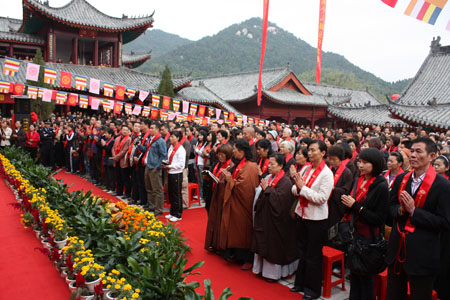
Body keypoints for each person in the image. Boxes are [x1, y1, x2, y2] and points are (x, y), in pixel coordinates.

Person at [386, 137, 450, 300]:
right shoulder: (402, 179)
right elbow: (390, 207)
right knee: (394, 294)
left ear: (432, 156)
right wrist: (400, 210)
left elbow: (444, 222)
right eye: (412, 151)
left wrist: (415, 211)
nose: (413, 155)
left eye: (418, 151)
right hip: (397, 248)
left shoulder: (443, 186)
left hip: (422, 255)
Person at [341, 148, 389, 300]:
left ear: (375, 164)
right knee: (355, 274)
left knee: (366, 277)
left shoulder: (381, 186)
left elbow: (379, 218)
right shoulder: (359, 179)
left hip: (369, 238)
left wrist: (357, 207)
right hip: (355, 233)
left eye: (365, 162)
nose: (361, 165)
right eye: (360, 161)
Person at [290, 140, 333, 300]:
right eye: (309, 150)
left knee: (313, 255)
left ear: (323, 153)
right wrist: (299, 188)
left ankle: (312, 290)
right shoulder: (307, 168)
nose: (310, 153)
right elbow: (295, 188)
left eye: (313, 150)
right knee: (301, 252)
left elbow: (322, 198)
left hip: (316, 219)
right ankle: (300, 283)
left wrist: (303, 189)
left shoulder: (327, 173)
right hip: (302, 215)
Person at [252, 153, 299, 282]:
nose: (269, 166)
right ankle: (261, 270)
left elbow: (281, 202)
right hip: (266, 218)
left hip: (277, 221)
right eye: (269, 163)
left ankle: (273, 275)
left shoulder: (285, 182)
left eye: (272, 164)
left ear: (281, 166)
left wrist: (267, 190)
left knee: (273, 247)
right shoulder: (270, 177)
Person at [220, 139, 260, 270]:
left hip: (243, 205)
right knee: (235, 230)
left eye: (235, 149)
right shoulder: (240, 164)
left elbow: (245, 188)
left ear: (242, 151)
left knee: (243, 231)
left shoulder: (250, 166)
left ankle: (247, 258)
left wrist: (229, 179)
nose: (233, 152)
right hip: (236, 202)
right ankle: (236, 254)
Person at [204, 144, 233, 250]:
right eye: (219, 155)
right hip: (213, 192)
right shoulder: (217, 163)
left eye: (222, 155)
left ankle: (218, 243)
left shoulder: (230, 165)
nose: (220, 157)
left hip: (221, 194)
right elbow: (211, 172)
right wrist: (206, 175)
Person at [142, 122, 167, 216]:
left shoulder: (160, 141)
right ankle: (152, 205)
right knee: (149, 188)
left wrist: (158, 167)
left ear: (157, 129)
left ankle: (159, 208)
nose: (150, 130)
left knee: (157, 189)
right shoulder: (151, 139)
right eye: (150, 128)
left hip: (155, 168)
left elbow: (163, 156)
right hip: (149, 166)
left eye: (152, 128)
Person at [327, 145, 353, 230]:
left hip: (336, 205)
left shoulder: (347, 173)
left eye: (334, 159)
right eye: (330, 159)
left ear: (341, 159)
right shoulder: (328, 169)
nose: (331, 161)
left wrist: (333, 189)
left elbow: (346, 190)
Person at [165, 131, 186, 222]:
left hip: (176, 173)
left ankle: (178, 214)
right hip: (170, 172)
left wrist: (170, 166)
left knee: (177, 194)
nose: (170, 138)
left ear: (178, 138)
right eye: (170, 136)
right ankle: (172, 212)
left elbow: (181, 164)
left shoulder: (181, 149)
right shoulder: (170, 147)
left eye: (173, 137)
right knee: (171, 193)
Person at [112, 125, 131, 199]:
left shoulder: (128, 139)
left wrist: (116, 157)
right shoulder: (117, 138)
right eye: (124, 129)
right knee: (118, 176)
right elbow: (113, 148)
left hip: (123, 161)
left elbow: (125, 150)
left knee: (125, 177)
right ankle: (119, 191)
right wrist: (114, 156)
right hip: (116, 160)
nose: (125, 131)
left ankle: (127, 193)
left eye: (127, 130)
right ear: (121, 130)